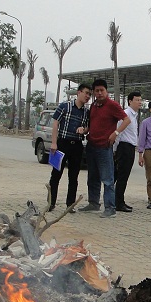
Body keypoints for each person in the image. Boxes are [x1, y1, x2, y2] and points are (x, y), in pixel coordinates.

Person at [79, 79, 130, 218]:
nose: (99, 93)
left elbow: (127, 120)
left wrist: (116, 133)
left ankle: (110, 208)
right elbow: (92, 124)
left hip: (104, 147)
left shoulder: (113, 105)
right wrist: (84, 130)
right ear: (94, 92)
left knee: (107, 179)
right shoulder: (93, 105)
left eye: (102, 90)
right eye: (97, 91)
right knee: (92, 177)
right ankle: (93, 203)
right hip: (91, 146)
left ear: (107, 91)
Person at [47, 83, 91, 212]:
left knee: (73, 176)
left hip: (77, 145)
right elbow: (55, 124)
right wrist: (54, 143)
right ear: (79, 92)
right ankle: (50, 203)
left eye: (89, 94)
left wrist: (84, 130)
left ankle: (70, 204)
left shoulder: (86, 112)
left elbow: (88, 128)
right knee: (56, 174)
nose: (87, 96)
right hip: (62, 144)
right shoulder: (65, 106)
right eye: (86, 93)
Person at [113, 91, 142, 212]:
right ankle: (118, 203)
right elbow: (118, 131)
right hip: (124, 147)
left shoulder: (134, 115)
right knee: (122, 176)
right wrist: (115, 149)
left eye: (140, 100)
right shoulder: (126, 114)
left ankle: (119, 200)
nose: (140, 102)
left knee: (124, 176)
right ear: (130, 101)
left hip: (130, 148)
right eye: (137, 100)